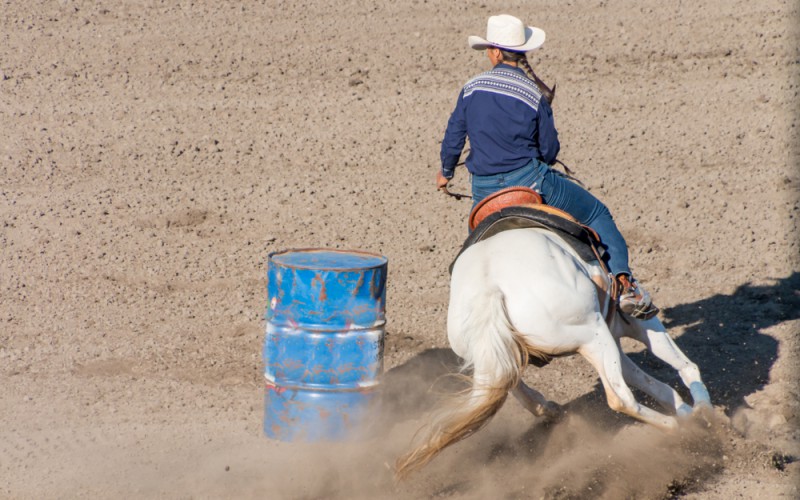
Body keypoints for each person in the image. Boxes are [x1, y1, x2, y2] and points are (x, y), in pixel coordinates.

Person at [436, 14, 657, 319]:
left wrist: (445, 174)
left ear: (496, 53)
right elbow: (550, 150)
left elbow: (453, 137)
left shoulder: (471, 88)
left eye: (488, 48)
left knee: (473, 251)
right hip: (530, 183)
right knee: (597, 214)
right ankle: (625, 284)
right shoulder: (533, 94)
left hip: (484, 193)